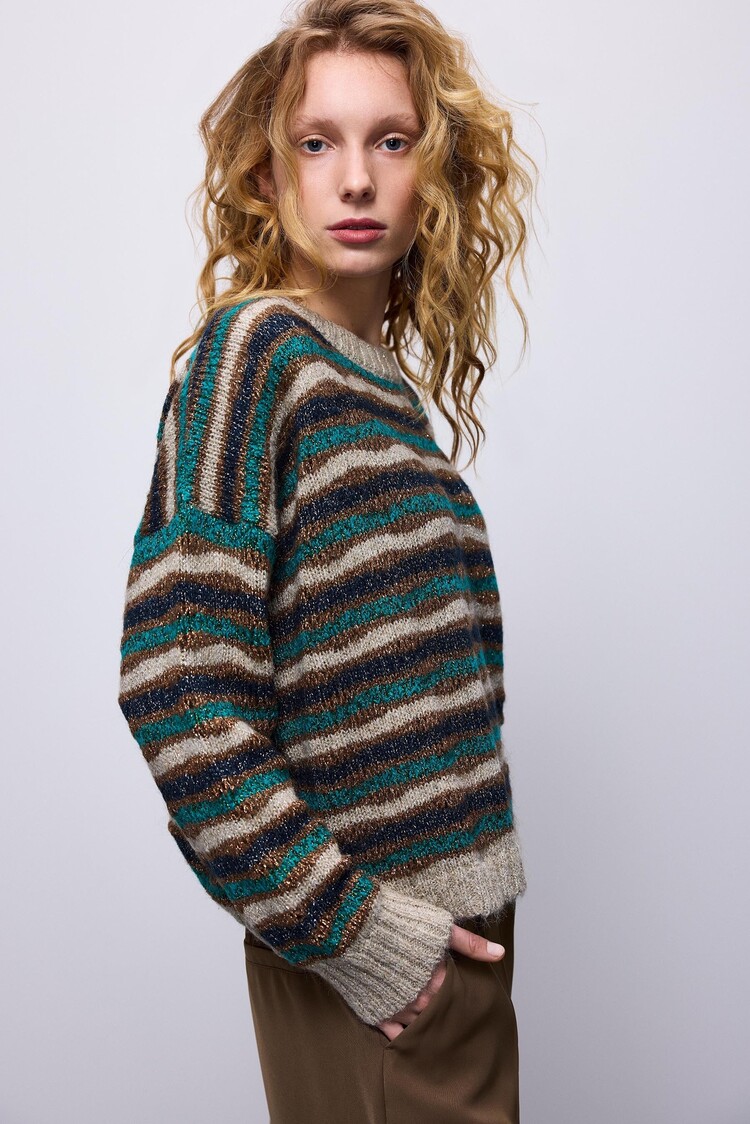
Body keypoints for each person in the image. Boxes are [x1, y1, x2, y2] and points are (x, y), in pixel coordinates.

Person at [117, 0, 539, 1119]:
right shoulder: (256, 356)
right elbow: (178, 686)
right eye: (318, 143)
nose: (356, 179)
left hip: (456, 955)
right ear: (268, 175)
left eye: (391, 140)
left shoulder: (376, 387)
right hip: (375, 972)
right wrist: (359, 936)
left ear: (432, 170)